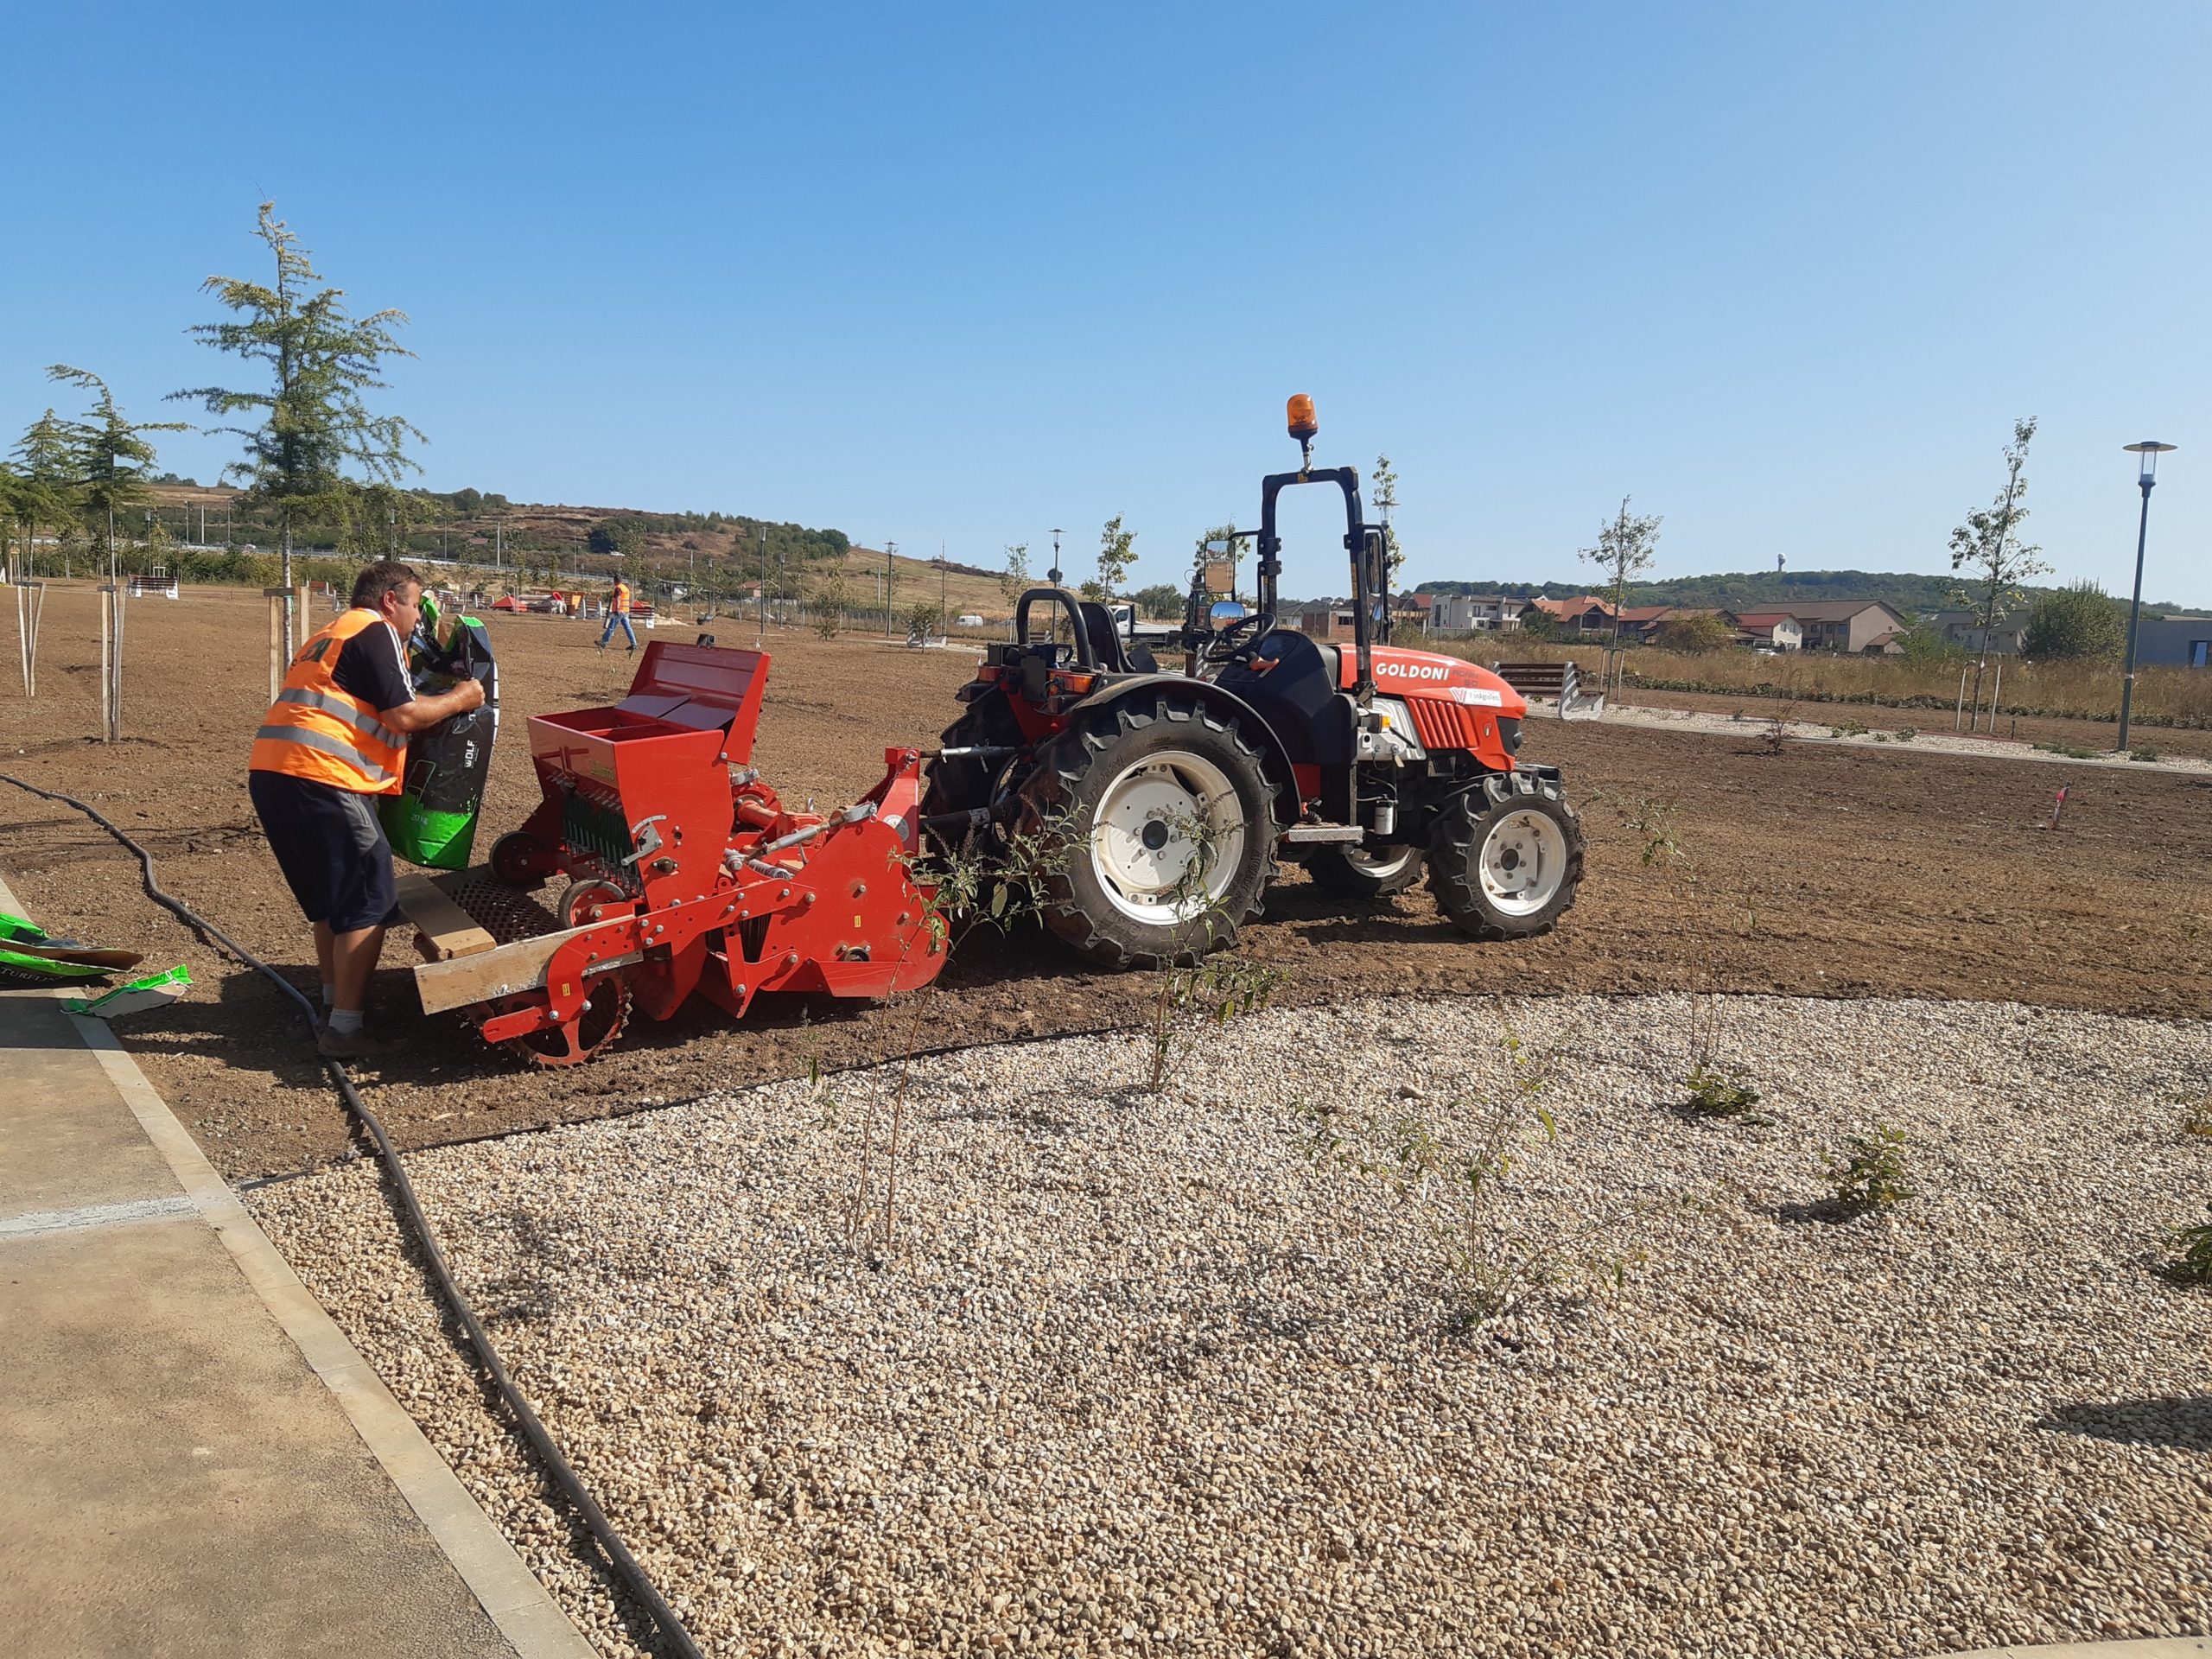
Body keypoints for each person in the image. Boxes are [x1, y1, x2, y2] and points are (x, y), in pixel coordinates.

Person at [248, 560, 486, 1059]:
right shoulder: (375, 630)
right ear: (389, 600)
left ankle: (334, 1009)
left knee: (332, 901)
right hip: (324, 776)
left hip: (274, 771)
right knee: (369, 899)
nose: (418, 617)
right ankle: (345, 1031)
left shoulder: (331, 632)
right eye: (415, 604)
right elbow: (403, 715)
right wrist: (463, 697)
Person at [598, 575, 636, 651]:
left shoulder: (618, 588)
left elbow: (618, 599)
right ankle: (634, 644)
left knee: (611, 627)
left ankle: (604, 642)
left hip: (619, 611)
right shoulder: (625, 588)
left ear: (615, 581)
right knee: (628, 628)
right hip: (625, 611)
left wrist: (617, 609)